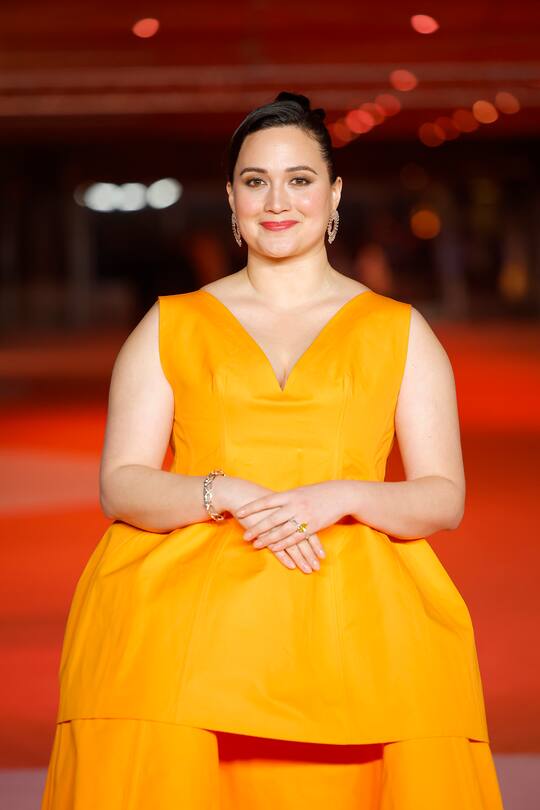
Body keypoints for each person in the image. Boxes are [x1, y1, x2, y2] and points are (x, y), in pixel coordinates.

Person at [41, 91, 505, 809]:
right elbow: (121, 484)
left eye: (299, 179)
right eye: (256, 181)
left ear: (334, 193)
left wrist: (343, 494)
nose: (277, 200)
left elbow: (442, 495)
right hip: (191, 613)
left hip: (355, 612)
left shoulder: (399, 331)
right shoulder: (171, 324)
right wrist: (223, 491)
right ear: (231, 198)